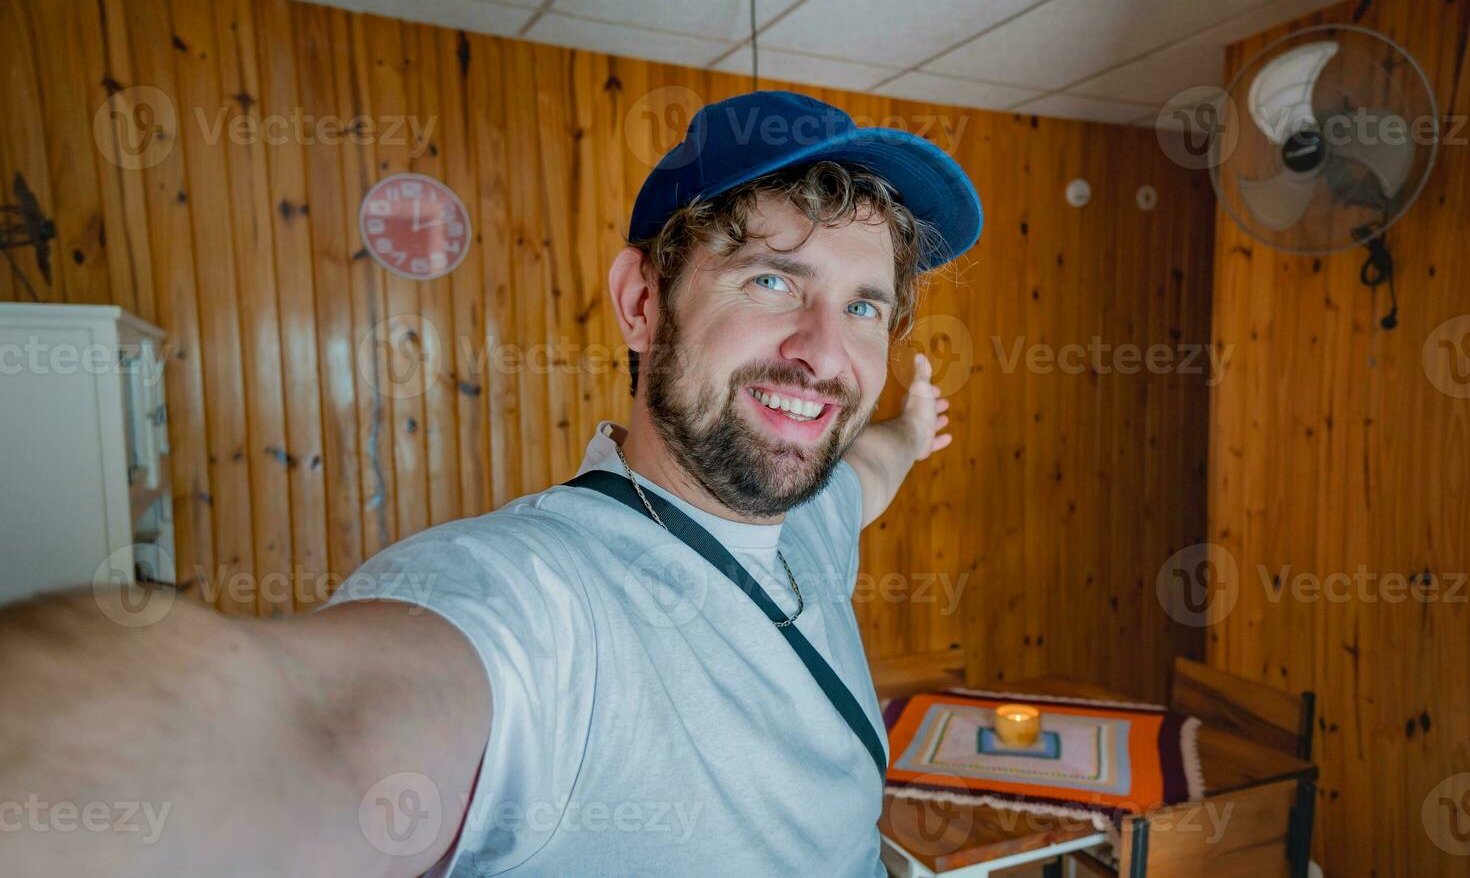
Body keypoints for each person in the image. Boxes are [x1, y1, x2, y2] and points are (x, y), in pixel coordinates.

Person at [0, 90, 982, 877]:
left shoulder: (809, 519)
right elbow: (291, 730)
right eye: (772, 279)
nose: (826, 353)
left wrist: (906, 428)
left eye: (864, 306)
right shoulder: (537, 599)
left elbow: (870, 467)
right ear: (643, 302)